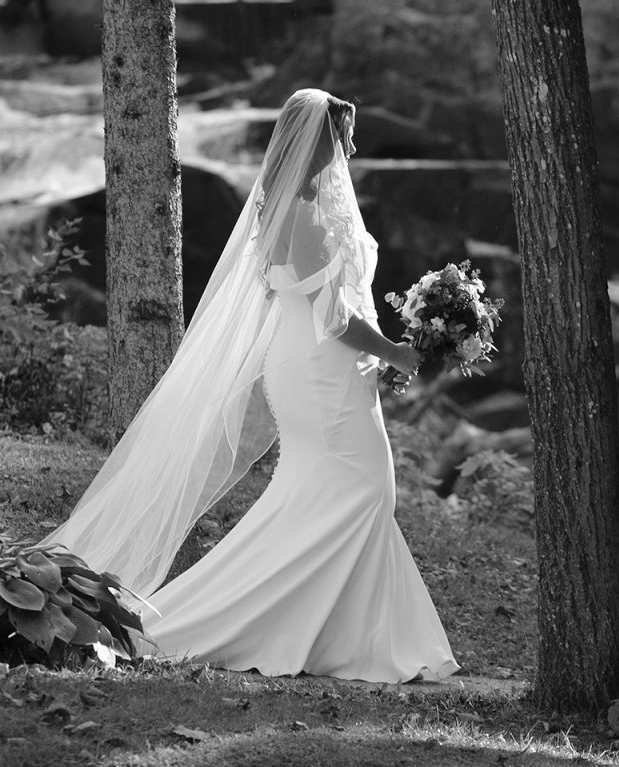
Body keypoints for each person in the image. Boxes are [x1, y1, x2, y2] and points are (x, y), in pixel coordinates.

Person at [40, 88, 458, 684]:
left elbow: (311, 301)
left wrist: (383, 351)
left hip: (309, 364)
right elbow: (335, 318)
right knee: (363, 491)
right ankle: (241, 625)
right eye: (344, 135)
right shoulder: (305, 215)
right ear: (319, 141)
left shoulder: (283, 207)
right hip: (321, 370)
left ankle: (345, 636)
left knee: (315, 497)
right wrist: (393, 349)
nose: (352, 146)